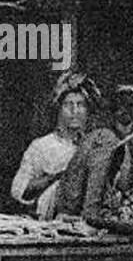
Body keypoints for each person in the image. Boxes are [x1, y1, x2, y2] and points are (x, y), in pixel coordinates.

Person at [55, 83, 133, 219]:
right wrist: (92, 218)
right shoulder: (103, 138)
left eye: (131, 106)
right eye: (121, 105)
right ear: (113, 109)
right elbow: (91, 193)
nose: (125, 111)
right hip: (76, 214)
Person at [10, 72, 97, 220]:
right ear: (59, 108)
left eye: (80, 105)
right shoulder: (42, 146)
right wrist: (58, 177)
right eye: (68, 105)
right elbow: (19, 191)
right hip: (50, 225)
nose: (74, 111)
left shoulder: (93, 146)